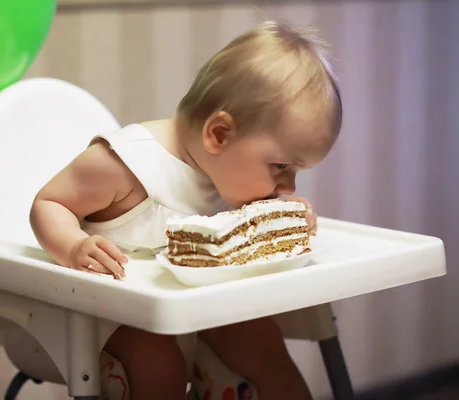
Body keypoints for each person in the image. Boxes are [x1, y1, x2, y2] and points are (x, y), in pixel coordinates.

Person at [30, 20, 341, 400]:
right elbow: (50, 202)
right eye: (280, 167)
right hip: (107, 312)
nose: (288, 185)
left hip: (193, 307)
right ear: (219, 135)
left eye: (296, 172)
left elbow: (248, 221)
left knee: (262, 340)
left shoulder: (231, 173)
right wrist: (74, 244)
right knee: (157, 362)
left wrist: (287, 214)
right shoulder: (126, 163)